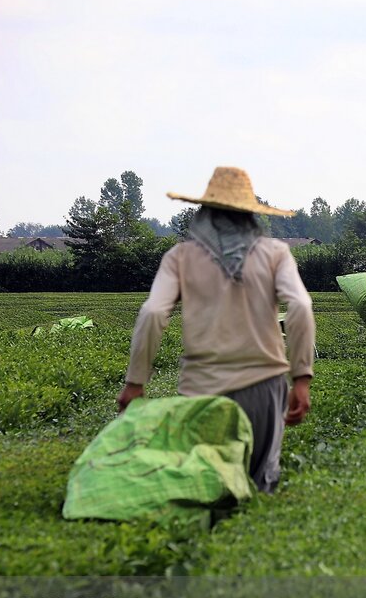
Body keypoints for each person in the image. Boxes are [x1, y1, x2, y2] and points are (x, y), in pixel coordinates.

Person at [117, 166, 315, 493]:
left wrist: (135, 382)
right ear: (250, 215)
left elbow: (153, 312)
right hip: (263, 388)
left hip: (201, 392)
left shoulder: (180, 257)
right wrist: (302, 378)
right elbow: (301, 306)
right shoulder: (274, 254)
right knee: (258, 487)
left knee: (205, 487)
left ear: (205, 213)